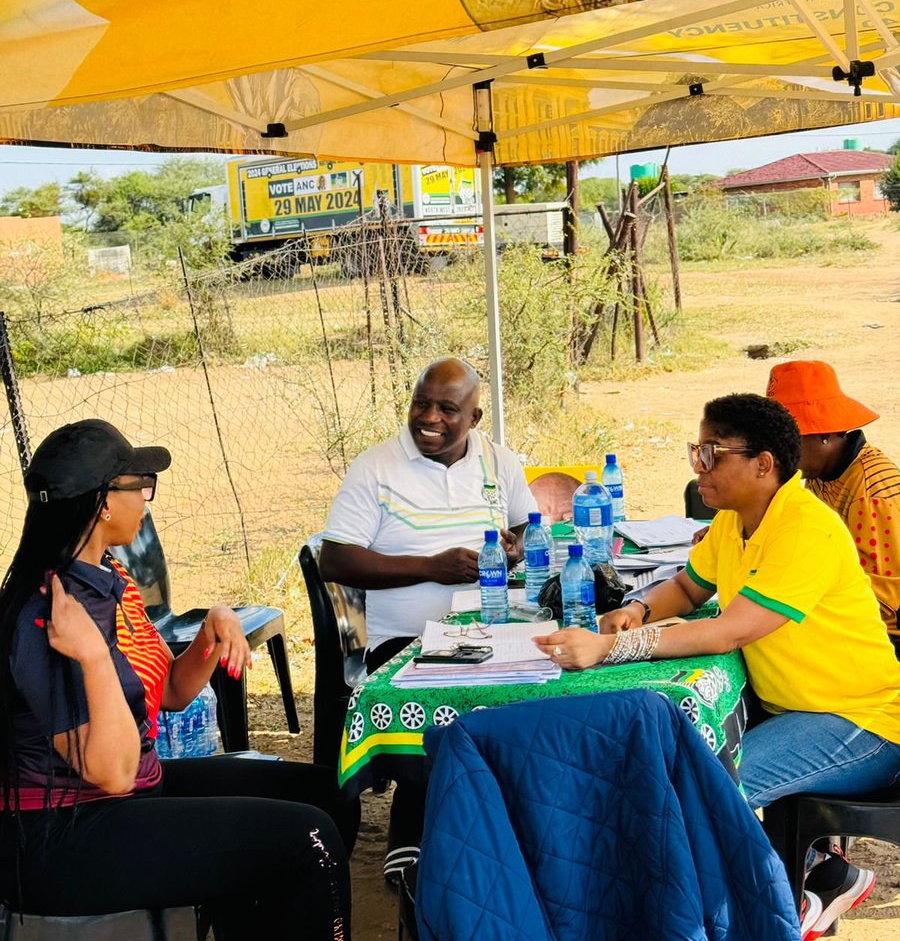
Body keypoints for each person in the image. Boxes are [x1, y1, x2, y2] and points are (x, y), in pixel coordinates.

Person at [535, 394, 900, 941]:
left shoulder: (806, 530)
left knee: (705, 785)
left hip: (861, 722)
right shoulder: (734, 521)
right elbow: (686, 586)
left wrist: (608, 650)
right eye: (696, 451)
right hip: (791, 710)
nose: (699, 467)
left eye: (712, 453)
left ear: (763, 464)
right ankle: (816, 879)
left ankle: (766, 908)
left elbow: (730, 630)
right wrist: (635, 610)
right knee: (675, 758)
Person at [0, 419, 355, 940]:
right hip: (62, 837)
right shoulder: (48, 616)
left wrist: (214, 628)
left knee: (331, 791)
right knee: (308, 836)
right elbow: (112, 773)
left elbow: (170, 692)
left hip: (130, 794)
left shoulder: (108, 577)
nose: (147, 499)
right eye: (139, 486)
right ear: (103, 503)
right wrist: (96, 659)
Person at [320, 357, 536, 884]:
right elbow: (336, 559)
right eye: (421, 403)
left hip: (490, 627)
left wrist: (515, 548)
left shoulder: (498, 462)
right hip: (405, 643)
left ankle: (505, 833)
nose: (429, 418)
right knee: (446, 705)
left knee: (539, 690)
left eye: (447, 408)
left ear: (475, 418)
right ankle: (413, 833)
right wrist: (431, 568)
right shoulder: (375, 467)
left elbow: (526, 531)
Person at [766, 359, 900, 652]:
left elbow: (885, 605)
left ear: (824, 434)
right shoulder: (820, 473)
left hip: (883, 640)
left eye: (788, 443)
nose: (778, 455)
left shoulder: (871, 493)